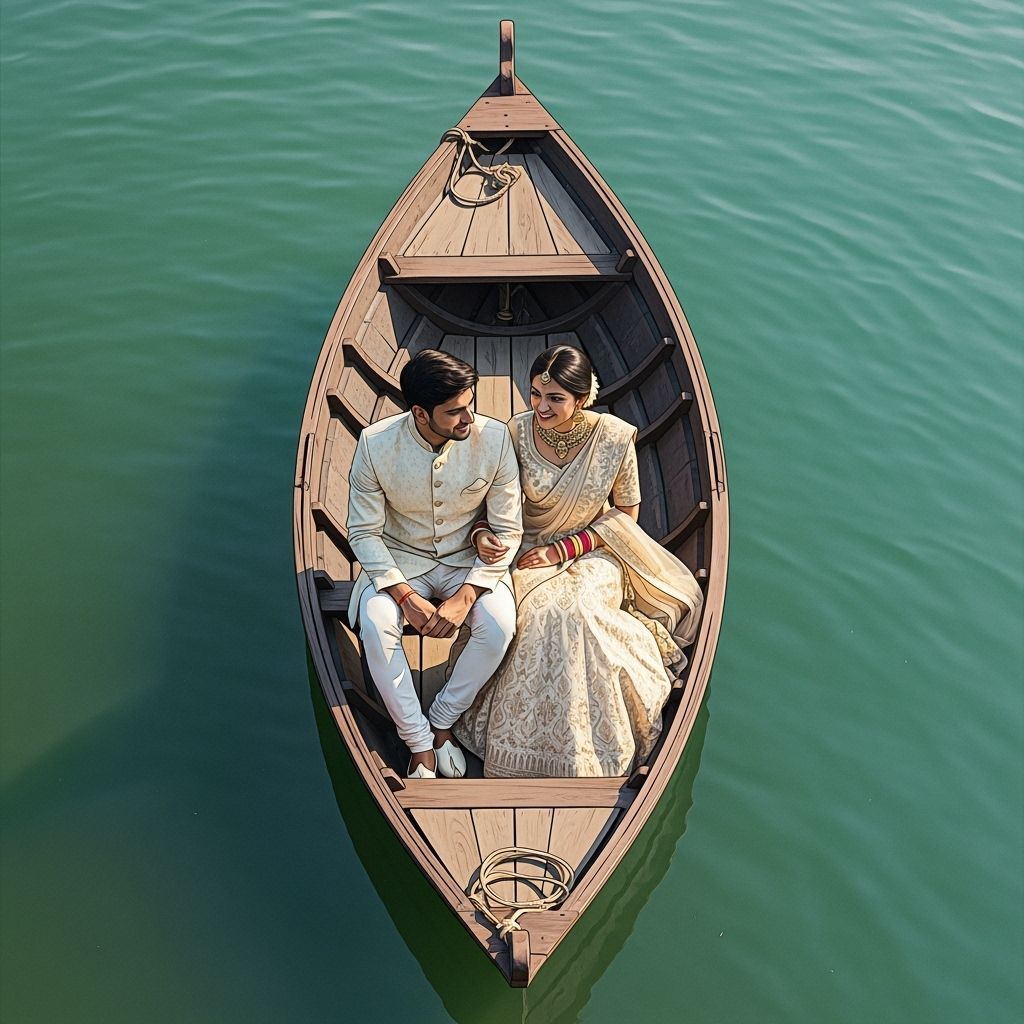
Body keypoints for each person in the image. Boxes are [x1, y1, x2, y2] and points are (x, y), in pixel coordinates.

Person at [455, 345, 704, 778]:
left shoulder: (612, 438)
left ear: (582, 398)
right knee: (537, 615)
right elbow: (486, 500)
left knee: (578, 612)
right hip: (526, 547)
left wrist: (564, 550)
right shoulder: (515, 433)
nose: (541, 406)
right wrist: (482, 535)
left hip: (594, 549)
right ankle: (521, 747)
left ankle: (592, 751)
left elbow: (625, 516)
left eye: (555, 398)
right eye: (535, 394)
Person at [346, 349, 522, 779]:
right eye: (455, 412)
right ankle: (419, 743)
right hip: (399, 561)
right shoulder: (375, 444)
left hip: (468, 561)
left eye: (470, 406)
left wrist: (468, 594)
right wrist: (404, 597)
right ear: (420, 414)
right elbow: (363, 533)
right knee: (375, 623)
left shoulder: (494, 438)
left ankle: (442, 720)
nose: (469, 419)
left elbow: (509, 528)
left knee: (499, 626)